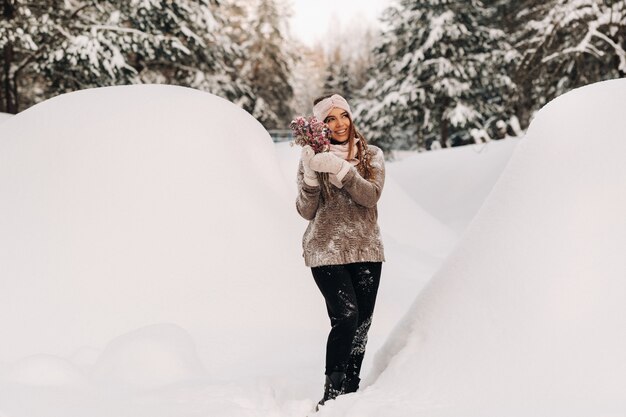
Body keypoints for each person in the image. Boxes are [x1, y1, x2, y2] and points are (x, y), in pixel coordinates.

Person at [295, 93, 385, 408]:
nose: (339, 124)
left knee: (362, 323)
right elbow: (306, 210)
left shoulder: (371, 155)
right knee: (346, 316)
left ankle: (351, 389)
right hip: (325, 250)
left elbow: (370, 196)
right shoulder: (312, 158)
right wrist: (310, 176)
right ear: (322, 126)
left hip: (365, 249)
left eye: (343, 115)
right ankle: (331, 394)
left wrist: (341, 169)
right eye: (330, 119)